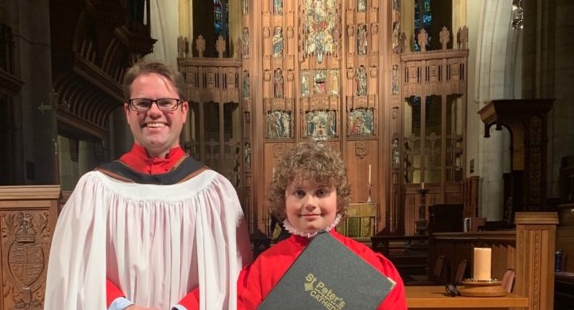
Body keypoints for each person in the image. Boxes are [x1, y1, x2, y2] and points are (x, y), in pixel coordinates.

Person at [44, 59, 253, 310]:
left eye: (166, 102)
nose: (154, 112)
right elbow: (74, 269)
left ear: (183, 111)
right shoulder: (95, 190)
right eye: (142, 103)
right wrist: (122, 307)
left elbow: (231, 274)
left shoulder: (214, 192)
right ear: (128, 112)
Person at [236, 141, 407, 309]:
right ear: (283, 200)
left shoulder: (370, 265)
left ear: (339, 199)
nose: (310, 203)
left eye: (321, 192)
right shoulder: (263, 268)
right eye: (299, 192)